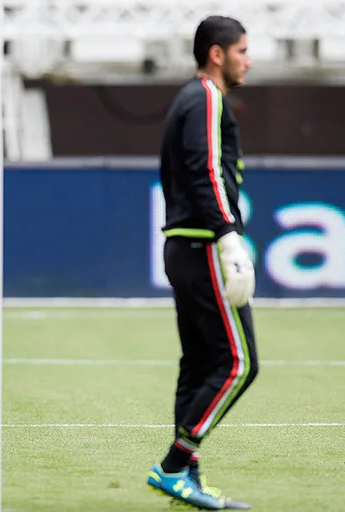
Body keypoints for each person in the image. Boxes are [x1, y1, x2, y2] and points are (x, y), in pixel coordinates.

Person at [146, 16, 259, 510]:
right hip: (203, 244)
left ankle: (185, 476)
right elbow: (205, 168)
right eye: (242, 51)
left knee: (198, 364)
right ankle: (175, 465)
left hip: (185, 245)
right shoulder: (207, 97)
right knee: (238, 363)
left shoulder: (189, 99)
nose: (248, 60)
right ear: (217, 54)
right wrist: (228, 235)